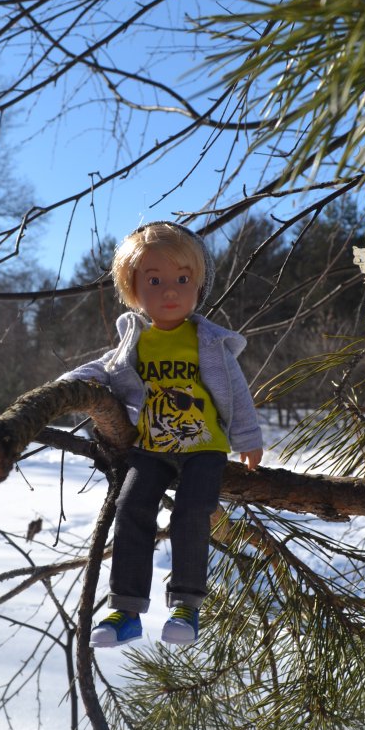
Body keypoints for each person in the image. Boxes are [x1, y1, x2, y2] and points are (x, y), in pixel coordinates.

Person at [61, 222, 263, 647]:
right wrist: (62, 388)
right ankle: (125, 610)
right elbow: (103, 369)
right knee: (130, 508)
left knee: (192, 512)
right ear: (133, 290)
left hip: (203, 447)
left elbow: (236, 389)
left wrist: (247, 437)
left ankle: (187, 606)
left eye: (182, 280)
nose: (170, 291)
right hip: (151, 448)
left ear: (198, 285)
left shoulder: (207, 341)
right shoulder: (136, 341)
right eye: (154, 281)